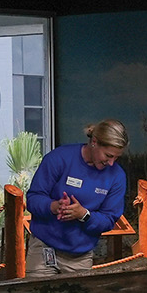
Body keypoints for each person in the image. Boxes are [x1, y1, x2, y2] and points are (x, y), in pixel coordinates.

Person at [24, 118, 129, 277]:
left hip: (80, 255)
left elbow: (109, 219)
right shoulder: (59, 158)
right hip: (44, 247)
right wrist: (54, 206)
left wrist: (84, 215)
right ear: (94, 142)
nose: (111, 163)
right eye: (108, 155)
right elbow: (33, 198)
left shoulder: (117, 176)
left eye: (116, 157)